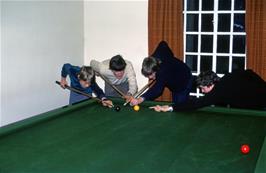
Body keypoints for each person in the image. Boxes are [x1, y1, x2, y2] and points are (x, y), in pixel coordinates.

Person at [150, 69, 266, 112]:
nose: (202, 91)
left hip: (260, 104)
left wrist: (171, 107)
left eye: (203, 88)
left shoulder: (217, 93)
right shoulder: (229, 76)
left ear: (210, 84)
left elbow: (196, 104)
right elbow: (249, 72)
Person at [130, 41, 192, 107]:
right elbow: (163, 43)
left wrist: (140, 99)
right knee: (175, 104)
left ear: (156, 70)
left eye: (150, 75)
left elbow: (157, 90)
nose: (150, 78)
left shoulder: (162, 71)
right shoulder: (154, 58)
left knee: (180, 107)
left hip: (184, 78)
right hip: (174, 76)